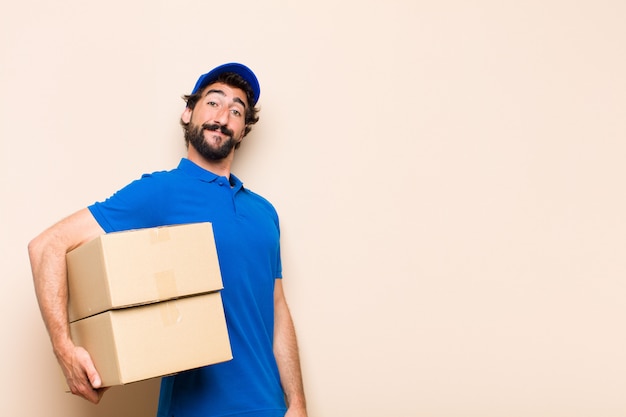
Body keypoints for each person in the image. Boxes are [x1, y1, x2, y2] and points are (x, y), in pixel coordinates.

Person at [28, 63, 308, 417]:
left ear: (243, 130)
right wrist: (64, 350)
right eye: (213, 102)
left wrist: (296, 403)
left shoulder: (265, 213)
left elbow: (278, 310)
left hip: (270, 408)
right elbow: (47, 246)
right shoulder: (161, 192)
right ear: (188, 112)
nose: (223, 116)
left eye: (236, 110)